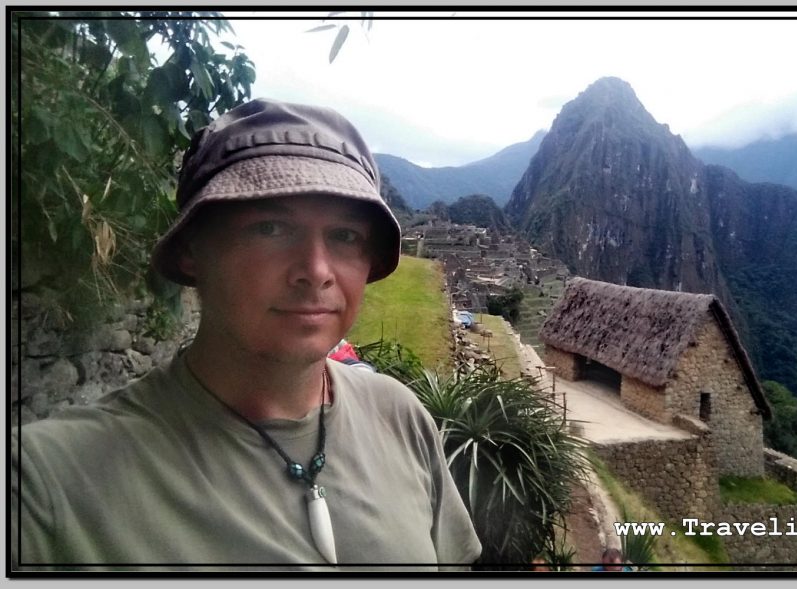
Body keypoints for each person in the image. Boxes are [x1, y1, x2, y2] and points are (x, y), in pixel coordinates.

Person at [12, 99, 482, 571]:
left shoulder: (399, 417)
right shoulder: (47, 485)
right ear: (195, 248)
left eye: (345, 236)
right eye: (271, 227)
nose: (316, 272)